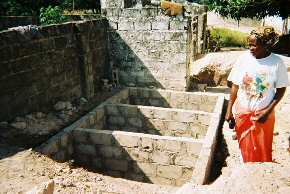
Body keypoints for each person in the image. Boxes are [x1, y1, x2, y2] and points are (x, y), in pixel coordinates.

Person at [225, 26, 289, 162]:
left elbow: (281, 90)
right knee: (246, 149)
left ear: (265, 45)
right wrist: (229, 110)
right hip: (242, 114)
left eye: (254, 45)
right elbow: (235, 86)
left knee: (263, 150)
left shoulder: (277, 63)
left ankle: (261, 175)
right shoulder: (243, 59)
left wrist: (267, 111)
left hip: (264, 116)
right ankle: (247, 172)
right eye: (249, 44)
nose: (250, 48)